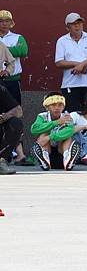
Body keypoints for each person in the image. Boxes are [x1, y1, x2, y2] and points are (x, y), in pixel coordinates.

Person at [0, 10, 30, 165]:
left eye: (7, 21)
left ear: (11, 23)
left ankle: (19, 152)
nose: (4, 23)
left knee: (15, 114)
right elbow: (17, 51)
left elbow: (23, 51)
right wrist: (12, 50)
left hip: (13, 80)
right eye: (1, 21)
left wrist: (2, 50)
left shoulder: (18, 37)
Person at [54, 12, 87, 112]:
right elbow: (59, 62)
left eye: (79, 23)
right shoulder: (62, 41)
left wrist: (82, 65)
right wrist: (77, 65)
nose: (77, 26)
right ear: (67, 27)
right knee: (72, 115)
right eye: (74, 24)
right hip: (70, 84)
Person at [30, 92, 80, 171]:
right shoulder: (42, 116)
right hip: (49, 155)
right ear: (47, 107)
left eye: (60, 105)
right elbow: (34, 130)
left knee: (68, 137)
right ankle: (44, 157)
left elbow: (70, 131)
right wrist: (56, 122)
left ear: (63, 107)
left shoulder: (67, 117)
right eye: (53, 105)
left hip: (61, 154)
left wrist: (50, 137)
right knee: (43, 134)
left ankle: (68, 158)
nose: (57, 108)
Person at [0, 84, 23, 174]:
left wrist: (4, 117)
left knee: (15, 123)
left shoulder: (1, 90)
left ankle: (1, 161)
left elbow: (19, 111)